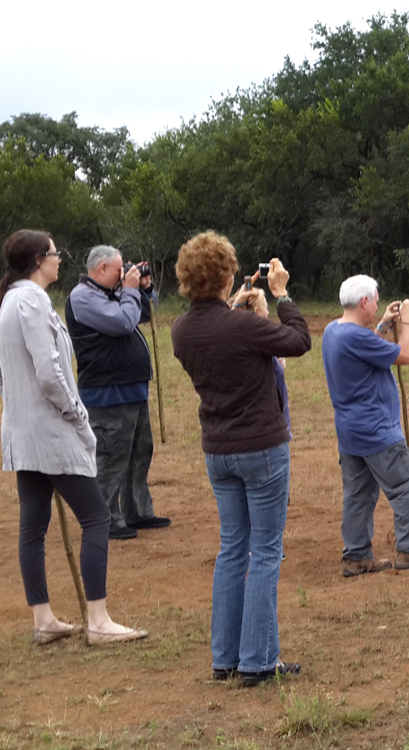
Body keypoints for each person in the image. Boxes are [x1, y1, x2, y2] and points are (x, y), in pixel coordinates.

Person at [0, 230, 147, 646]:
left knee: (32, 525)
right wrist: (75, 413)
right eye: (55, 253)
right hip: (51, 432)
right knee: (96, 517)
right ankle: (98, 620)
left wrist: (21, 406)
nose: (60, 259)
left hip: (22, 433)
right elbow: (49, 372)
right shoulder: (32, 301)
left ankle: (43, 619)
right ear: (39, 258)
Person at [170, 231, 311, 687]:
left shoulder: (181, 329)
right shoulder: (243, 326)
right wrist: (281, 294)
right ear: (227, 275)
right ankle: (256, 661)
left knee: (233, 549)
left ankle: (225, 658)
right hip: (261, 448)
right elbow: (298, 340)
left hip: (219, 450)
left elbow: (221, 337)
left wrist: (238, 312)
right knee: (266, 551)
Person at [321, 275, 409, 578]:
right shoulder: (356, 337)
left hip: (350, 430)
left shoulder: (333, 331)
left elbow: (365, 347)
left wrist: (381, 327)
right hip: (375, 430)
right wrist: (406, 323)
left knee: (359, 493)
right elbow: (405, 355)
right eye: (376, 301)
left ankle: (357, 556)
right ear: (364, 301)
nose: (377, 305)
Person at [66, 246, 170, 540]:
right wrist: (129, 289)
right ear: (101, 268)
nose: (123, 273)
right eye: (118, 268)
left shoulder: (111, 293)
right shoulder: (83, 297)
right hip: (107, 393)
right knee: (111, 458)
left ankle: (137, 511)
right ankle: (105, 519)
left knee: (139, 453)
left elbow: (142, 315)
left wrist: (144, 291)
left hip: (132, 390)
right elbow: (124, 321)